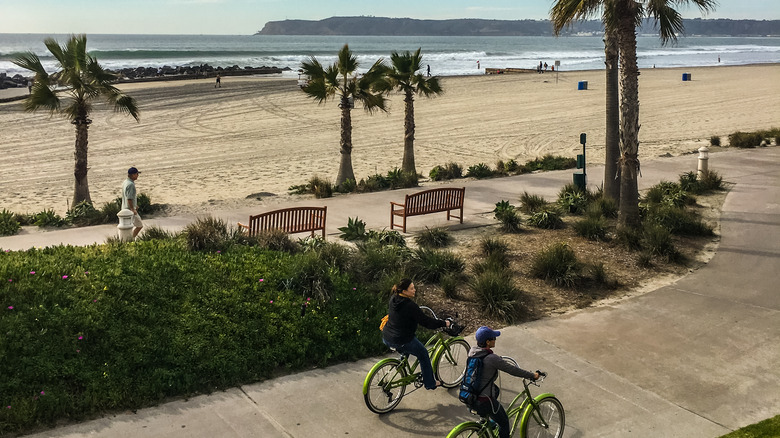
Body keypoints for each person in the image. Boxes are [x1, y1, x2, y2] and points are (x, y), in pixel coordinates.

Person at [469, 326, 540, 438]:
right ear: (488, 342)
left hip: (469, 396)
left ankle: (484, 419)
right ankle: (487, 417)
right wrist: (532, 375)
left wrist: (497, 360)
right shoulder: (492, 358)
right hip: (484, 400)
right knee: (504, 423)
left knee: (495, 390)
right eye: (493, 338)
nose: (495, 340)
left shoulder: (473, 352)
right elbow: (513, 370)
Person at [382, 278, 451, 390]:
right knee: (423, 354)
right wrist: (444, 323)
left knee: (408, 346)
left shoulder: (393, 299)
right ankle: (430, 383)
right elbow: (426, 322)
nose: (415, 290)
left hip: (387, 336)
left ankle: (401, 366)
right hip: (401, 339)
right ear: (404, 291)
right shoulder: (410, 306)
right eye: (412, 288)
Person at [122, 167, 144, 239]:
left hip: (124, 208)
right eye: (137, 174)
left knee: (127, 226)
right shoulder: (131, 185)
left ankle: (129, 239)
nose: (138, 175)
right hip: (129, 210)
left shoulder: (125, 182)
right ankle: (131, 239)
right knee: (139, 225)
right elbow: (129, 198)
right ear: (133, 175)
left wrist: (135, 205)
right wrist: (132, 209)